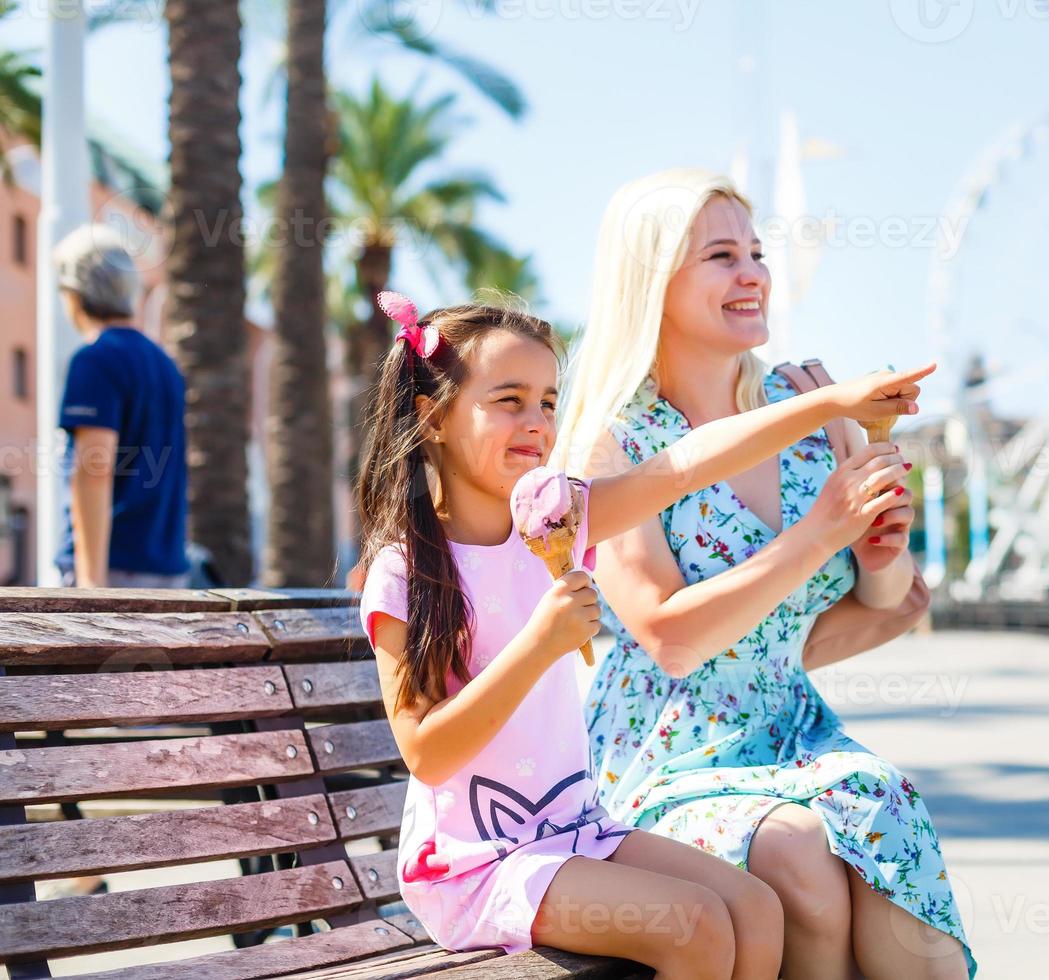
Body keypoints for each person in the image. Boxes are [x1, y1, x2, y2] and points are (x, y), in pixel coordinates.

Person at [354, 290, 931, 976]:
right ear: (434, 416)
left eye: (547, 400)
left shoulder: (558, 521)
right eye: (509, 399)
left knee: (754, 908)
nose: (537, 421)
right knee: (695, 928)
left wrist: (834, 404)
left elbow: (688, 463)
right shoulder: (408, 571)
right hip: (477, 865)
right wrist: (538, 643)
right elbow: (426, 752)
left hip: (574, 831)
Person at [555, 169, 976, 979]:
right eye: (721, 255)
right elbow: (669, 635)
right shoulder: (612, 443)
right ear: (652, 282)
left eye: (755, 251)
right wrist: (822, 533)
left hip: (793, 732)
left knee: (885, 808)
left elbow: (885, 599)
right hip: (664, 755)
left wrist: (882, 553)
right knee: (801, 865)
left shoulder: (809, 406)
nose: (753, 274)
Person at [52, 224, 188, 589]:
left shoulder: (95, 360)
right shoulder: (165, 365)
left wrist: (89, 587)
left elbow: (93, 471)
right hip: (168, 570)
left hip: (112, 571)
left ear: (76, 294)